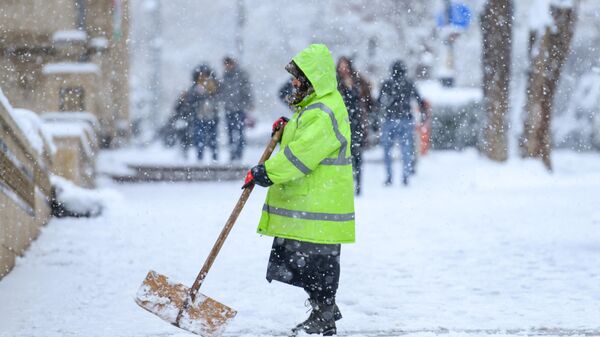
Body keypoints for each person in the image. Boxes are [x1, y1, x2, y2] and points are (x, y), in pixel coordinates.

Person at [242, 44, 355, 336]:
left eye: (298, 78)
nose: (293, 82)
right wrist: (288, 126)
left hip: (319, 206)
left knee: (316, 264)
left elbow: (301, 156)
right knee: (302, 262)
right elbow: (303, 140)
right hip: (310, 205)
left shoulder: (324, 110)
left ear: (312, 79)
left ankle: (324, 313)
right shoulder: (316, 107)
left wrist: (265, 172)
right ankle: (323, 307)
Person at [378, 60, 430, 186]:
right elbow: (419, 100)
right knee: (406, 150)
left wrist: (376, 119)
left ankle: (390, 177)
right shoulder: (409, 84)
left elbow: (379, 102)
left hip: (390, 119)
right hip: (406, 120)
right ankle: (405, 176)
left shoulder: (387, 84)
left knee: (388, 151)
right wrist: (424, 115)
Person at [336, 56, 369, 195]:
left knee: (357, 155)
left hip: (356, 122)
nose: (343, 69)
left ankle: (358, 183)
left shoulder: (358, 80)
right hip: (340, 121)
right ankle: (346, 183)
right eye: (341, 66)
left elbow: (366, 99)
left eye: (345, 66)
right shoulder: (335, 82)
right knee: (343, 154)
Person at [219, 56, 253, 162]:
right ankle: (232, 154)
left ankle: (239, 153)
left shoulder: (240, 75)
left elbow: (247, 89)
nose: (227, 66)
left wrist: (249, 102)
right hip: (228, 109)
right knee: (230, 132)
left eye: (228, 64)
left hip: (239, 109)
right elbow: (222, 91)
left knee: (240, 132)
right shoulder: (224, 76)